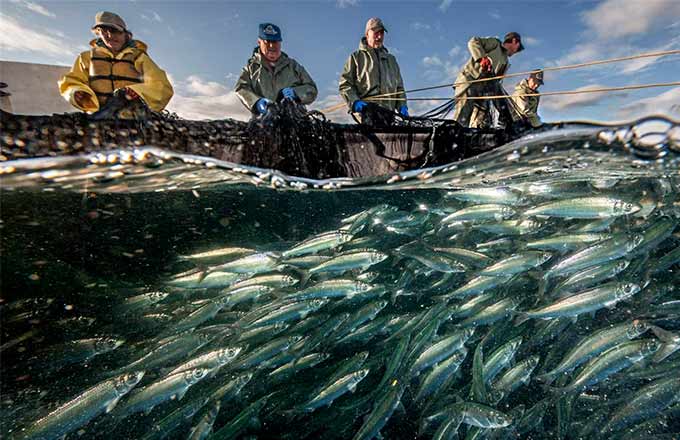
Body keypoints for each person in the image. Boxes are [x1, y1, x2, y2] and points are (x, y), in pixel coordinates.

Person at [58, 11, 173, 115]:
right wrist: (76, 92)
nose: (110, 36)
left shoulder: (139, 57)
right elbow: (71, 82)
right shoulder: (86, 57)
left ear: (126, 34)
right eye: (103, 31)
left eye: (114, 31)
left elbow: (162, 87)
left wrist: (138, 92)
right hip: (97, 118)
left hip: (133, 118)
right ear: (98, 33)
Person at [235, 23, 318, 116]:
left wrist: (296, 93)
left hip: (295, 121)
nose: (271, 46)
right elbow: (241, 88)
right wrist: (256, 102)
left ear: (280, 43)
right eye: (267, 42)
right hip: (263, 123)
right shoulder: (250, 68)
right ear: (259, 42)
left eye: (275, 42)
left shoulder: (293, 65)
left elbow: (312, 89)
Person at [339, 17, 407, 121]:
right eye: (376, 32)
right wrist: (354, 102)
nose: (379, 36)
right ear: (367, 34)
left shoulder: (392, 60)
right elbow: (345, 84)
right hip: (365, 116)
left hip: (389, 116)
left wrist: (402, 106)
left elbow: (399, 88)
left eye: (382, 33)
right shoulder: (356, 57)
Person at [453, 32, 524, 128]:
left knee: (482, 123)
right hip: (469, 82)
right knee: (462, 118)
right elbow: (473, 41)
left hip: (483, 93)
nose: (516, 52)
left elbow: (496, 84)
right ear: (514, 41)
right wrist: (482, 58)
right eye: (518, 48)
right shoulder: (495, 44)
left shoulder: (505, 62)